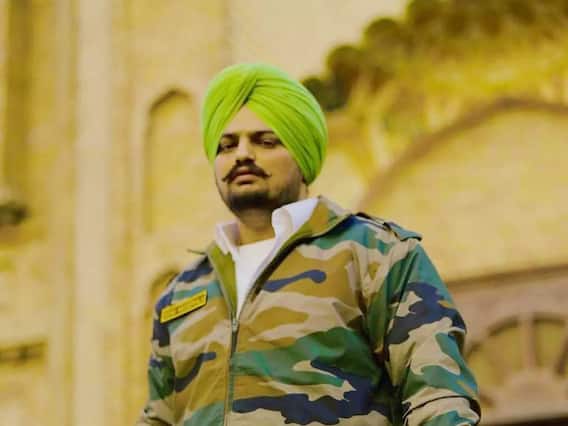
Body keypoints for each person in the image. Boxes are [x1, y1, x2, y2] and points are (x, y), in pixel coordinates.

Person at [137, 63, 481, 426]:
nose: (242, 154)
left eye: (265, 141)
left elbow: (437, 398)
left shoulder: (376, 255)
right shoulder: (182, 294)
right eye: (227, 145)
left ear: (302, 153)